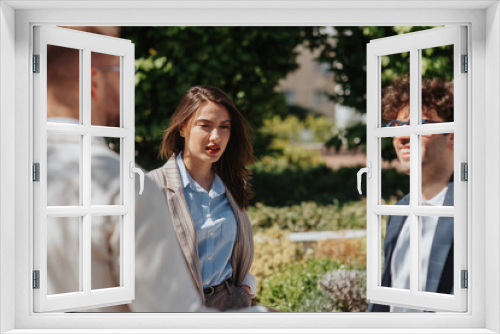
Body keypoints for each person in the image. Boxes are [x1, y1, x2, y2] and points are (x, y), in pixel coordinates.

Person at [46, 26, 201, 312]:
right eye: (121, 68)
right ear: (93, 80)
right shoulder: (120, 184)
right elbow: (173, 320)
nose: (129, 83)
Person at [148, 86, 256, 311]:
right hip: (178, 311)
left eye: (224, 127)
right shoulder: (153, 187)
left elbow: (238, 252)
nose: (216, 137)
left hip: (231, 305)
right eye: (205, 125)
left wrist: (245, 289)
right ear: (183, 128)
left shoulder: (233, 185)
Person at [368, 75, 455, 312]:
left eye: (418, 123)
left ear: (452, 136)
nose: (402, 137)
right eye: (397, 126)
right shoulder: (398, 212)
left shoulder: (477, 209)